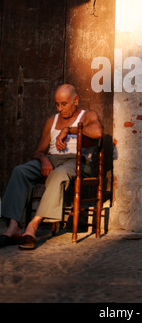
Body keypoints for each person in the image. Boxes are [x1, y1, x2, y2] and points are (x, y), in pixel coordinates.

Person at [0, 84, 103, 250]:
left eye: (64, 104)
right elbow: (39, 151)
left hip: (75, 161)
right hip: (51, 159)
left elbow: (97, 133)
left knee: (58, 174)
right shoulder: (51, 121)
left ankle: (32, 227)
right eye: (57, 104)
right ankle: (13, 228)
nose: (60, 108)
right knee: (20, 171)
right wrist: (44, 160)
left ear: (75, 100)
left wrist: (70, 130)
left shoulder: (87, 115)